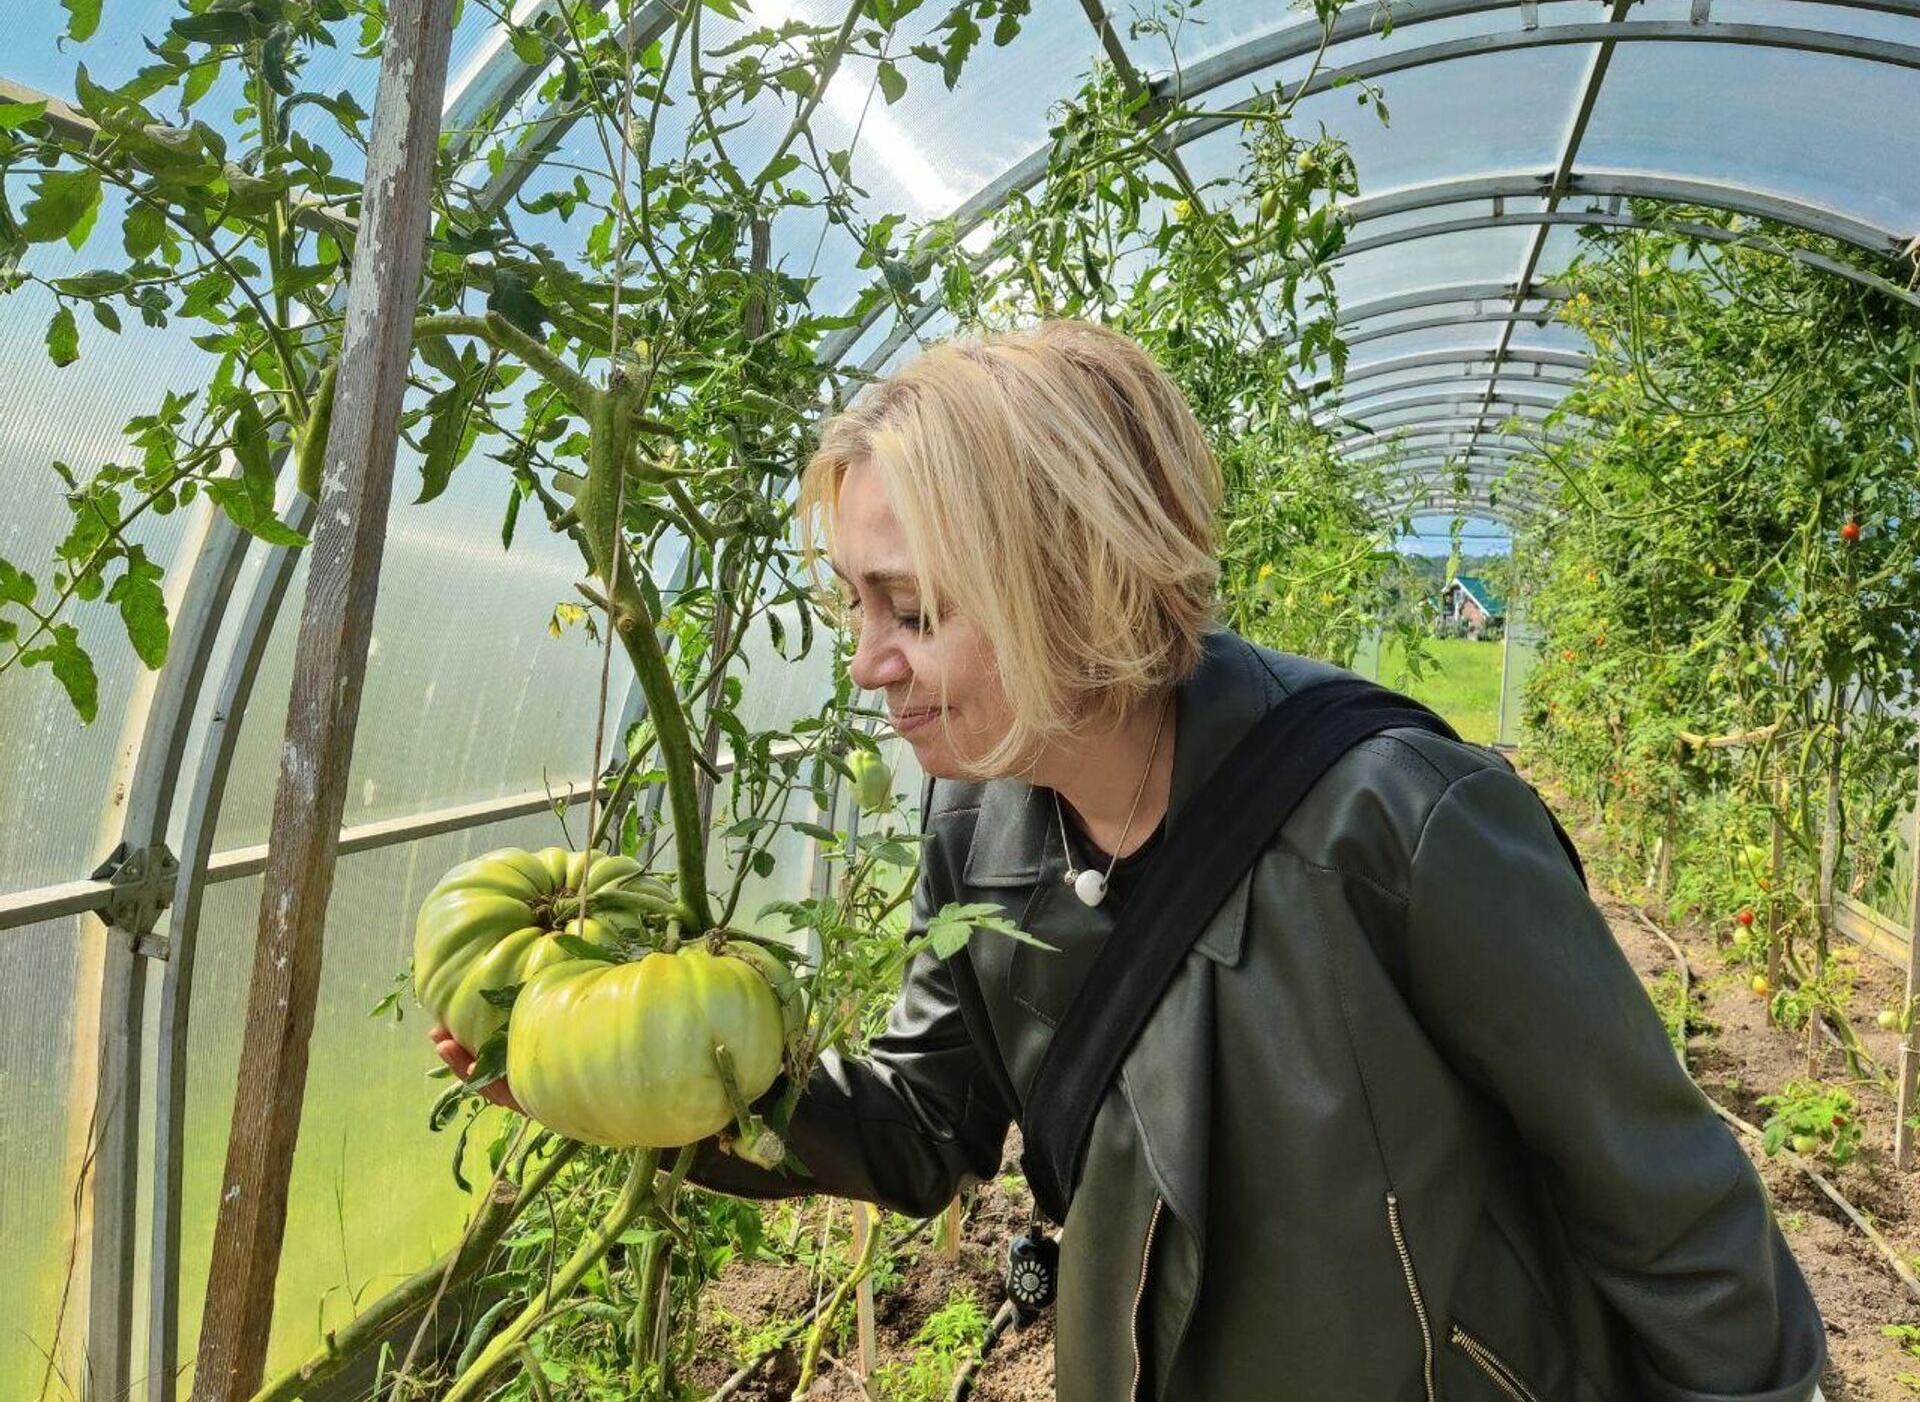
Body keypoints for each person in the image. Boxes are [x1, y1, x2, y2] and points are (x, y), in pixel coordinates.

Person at [435, 319, 1828, 1401]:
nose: (868, 664)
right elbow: (929, 1131)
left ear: (1081, 581)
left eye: (912, 608)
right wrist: (648, 1086)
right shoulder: (978, 823)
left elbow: (1675, 1216)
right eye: (855, 605)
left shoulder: (1399, 823)